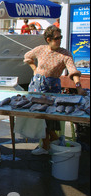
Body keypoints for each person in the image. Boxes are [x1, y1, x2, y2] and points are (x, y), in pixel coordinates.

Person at [24, 25, 86, 155]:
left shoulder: (65, 54)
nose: (59, 40)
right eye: (57, 38)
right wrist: (34, 68)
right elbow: (27, 56)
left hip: (53, 87)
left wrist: (78, 87)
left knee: (50, 116)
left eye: (60, 37)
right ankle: (49, 144)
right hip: (37, 85)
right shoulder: (40, 49)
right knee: (39, 116)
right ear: (48, 39)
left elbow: (73, 70)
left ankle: (53, 143)